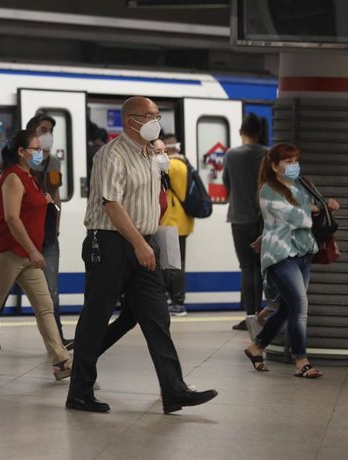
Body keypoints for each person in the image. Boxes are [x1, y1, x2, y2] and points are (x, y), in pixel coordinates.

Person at [66, 96, 217, 414]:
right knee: (97, 315)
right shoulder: (112, 155)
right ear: (130, 120)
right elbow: (112, 204)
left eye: (158, 115)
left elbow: (152, 203)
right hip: (108, 243)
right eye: (150, 115)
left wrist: (149, 240)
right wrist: (138, 243)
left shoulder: (151, 155)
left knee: (157, 316)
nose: (156, 120)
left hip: (144, 243)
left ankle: (174, 390)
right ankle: (79, 392)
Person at [0, 129, 72, 380]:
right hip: (10, 252)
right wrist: (34, 250)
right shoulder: (12, 177)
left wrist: (44, 202)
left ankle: (61, 361)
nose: (39, 152)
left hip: (28, 255)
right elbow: (11, 218)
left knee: (45, 308)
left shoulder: (31, 177)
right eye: (34, 148)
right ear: (21, 152)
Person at [243, 143, 339, 378]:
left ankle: (256, 347)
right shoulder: (268, 190)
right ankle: (301, 361)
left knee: (288, 308)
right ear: (275, 166)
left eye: (296, 160)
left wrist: (327, 208)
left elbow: (314, 217)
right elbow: (296, 218)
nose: (294, 165)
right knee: (299, 306)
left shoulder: (302, 187)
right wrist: (314, 209)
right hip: (280, 255)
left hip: (304, 253)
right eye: (288, 161)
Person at [0, 113, 74, 351]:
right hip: (18, 236)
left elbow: (55, 194)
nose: (48, 135)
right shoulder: (14, 167)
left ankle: (58, 346)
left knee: (49, 295)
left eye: (51, 130)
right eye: (44, 130)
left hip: (45, 234)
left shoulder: (53, 163)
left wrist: (56, 223)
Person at [222, 114, 267, 330]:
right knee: (259, 268)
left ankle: (250, 316)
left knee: (247, 267)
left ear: (241, 132)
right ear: (258, 133)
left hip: (238, 218)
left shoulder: (231, 155)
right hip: (262, 219)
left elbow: (226, 184)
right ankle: (260, 314)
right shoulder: (266, 154)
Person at [159, 135, 194, 317]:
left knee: (172, 264)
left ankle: (178, 303)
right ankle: (176, 301)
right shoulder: (184, 163)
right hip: (181, 220)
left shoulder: (172, 166)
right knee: (175, 262)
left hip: (172, 220)